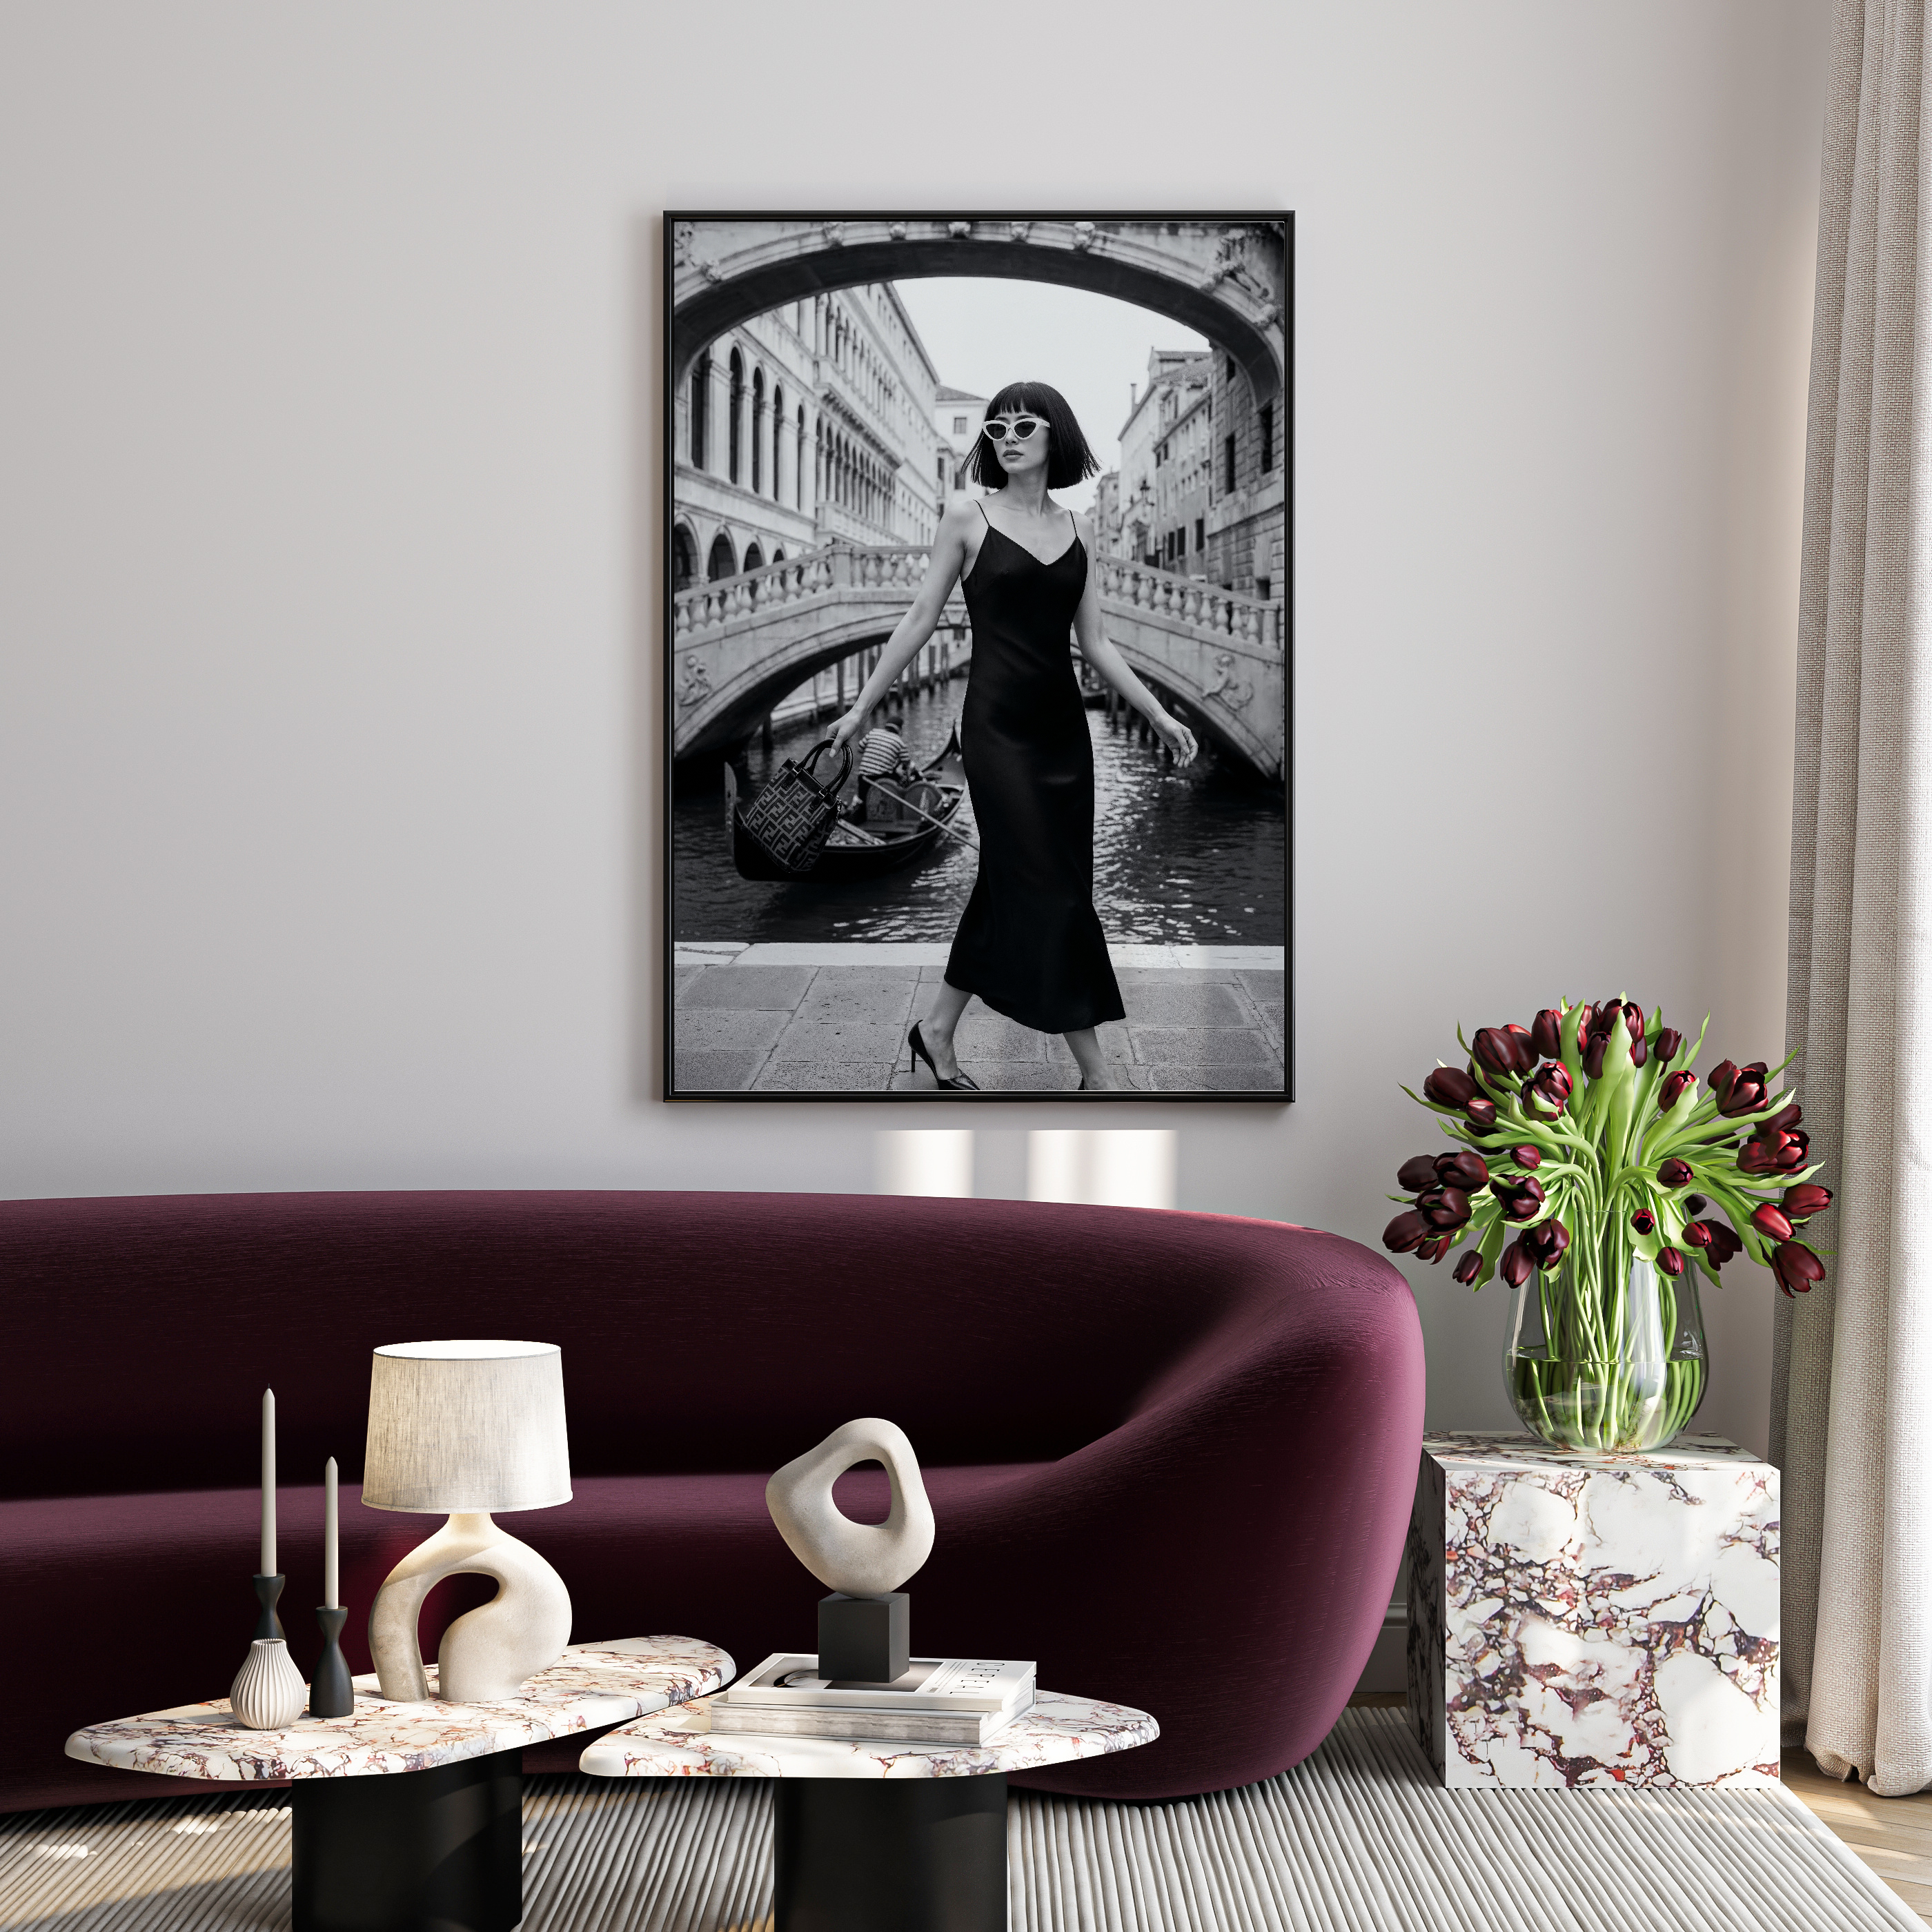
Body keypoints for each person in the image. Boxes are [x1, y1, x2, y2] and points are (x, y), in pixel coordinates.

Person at [828, 380, 1197, 1092]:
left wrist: (1157, 713)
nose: (1007, 437)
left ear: (1056, 434)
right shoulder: (965, 516)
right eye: (996, 428)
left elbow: (1096, 642)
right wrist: (861, 709)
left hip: (1063, 734)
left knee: (1014, 885)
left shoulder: (1080, 528)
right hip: (996, 730)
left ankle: (936, 1031)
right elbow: (919, 618)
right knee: (1054, 891)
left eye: (1024, 425)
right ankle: (1097, 1073)